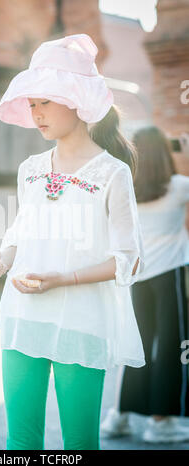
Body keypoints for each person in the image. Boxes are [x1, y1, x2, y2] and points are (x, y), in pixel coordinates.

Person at [0, 33, 146, 450]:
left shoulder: (113, 172)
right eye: (32, 103)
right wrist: (3, 256)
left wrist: (63, 278)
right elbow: (21, 233)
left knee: (79, 443)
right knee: (20, 441)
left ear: (77, 100)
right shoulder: (31, 168)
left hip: (82, 321)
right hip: (22, 315)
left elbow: (128, 259)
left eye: (46, 102)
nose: (36, 113)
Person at [100, 127, 189, 444]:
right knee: (170, 347)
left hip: (135, 276)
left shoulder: (127, 188)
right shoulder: (178, 187)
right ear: (166, 153)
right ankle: (161, 422)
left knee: (134, 345)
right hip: (170, 276)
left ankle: (117, 416)